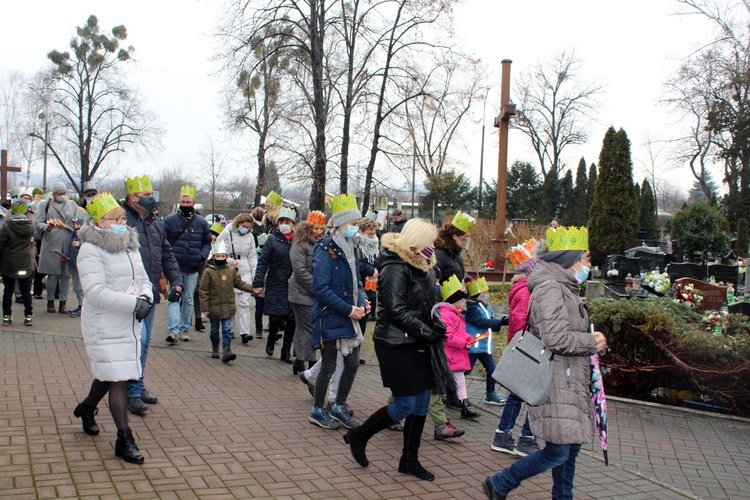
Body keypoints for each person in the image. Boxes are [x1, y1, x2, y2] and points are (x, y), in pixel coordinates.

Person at [482, 226, 608, 500]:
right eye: (586, 258)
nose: (589, 264)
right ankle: (501, 482)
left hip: (568, 378)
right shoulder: (552, 288)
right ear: (570, 259)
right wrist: (591, 342)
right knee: (558, 451)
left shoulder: (565, 287)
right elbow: (556, 338)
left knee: (569, 448)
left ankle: (562, 497)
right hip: (555, 380)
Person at [343, 218, 443, 481]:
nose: (434, 246)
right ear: (418, 241)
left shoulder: (427, 266)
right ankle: (359, 436)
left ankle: (409, 460)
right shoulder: (395, 267)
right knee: (404, 405)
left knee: (421, 401)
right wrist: (428, 332)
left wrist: (442, 319)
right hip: (395, 343)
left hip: (419, 341)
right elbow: (395, 311)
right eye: (430, 241)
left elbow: (429, 302)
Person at [72, 192, 153, 465]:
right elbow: (94, 292)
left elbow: (143, 278)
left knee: (110, 374)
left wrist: (146, 297)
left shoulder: (130, 244)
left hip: (129, 322)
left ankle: (86, 408)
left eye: (122, 217)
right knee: (118, 377)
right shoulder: (90, 250)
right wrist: (134, 303)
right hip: (104, 323)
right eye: (114, 218)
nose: (121, 222)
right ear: (99, 222)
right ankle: (124, 439)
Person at [122, 175, 183, 414]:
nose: (151, 200)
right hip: (131, 294)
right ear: (132, 197)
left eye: (151, 195)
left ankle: (138, 382)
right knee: (137, 340)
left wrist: (176, 281)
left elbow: (165, 252)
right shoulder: (121, 221)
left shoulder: (154, 222)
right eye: (146, 196)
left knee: (145, 341)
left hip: (151, 292)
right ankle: (130, 391)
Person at [308, 193, 367, 430]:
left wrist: (362, 303)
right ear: (341, 224)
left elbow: (356, 282)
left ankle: (339, 405)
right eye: (354, 225)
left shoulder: (352, 248)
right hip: (329, 315)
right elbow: (320, 289)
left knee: (352, 363)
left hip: (349, 314)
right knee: (329, 365)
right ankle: (317, 409)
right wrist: (349, 309)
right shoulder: (324, 250)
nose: (357, 229)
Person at [491, 239, 541, 457]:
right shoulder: (527, 291)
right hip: (528, 349)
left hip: (524, 348)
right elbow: (520, 321)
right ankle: (521, 436)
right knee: (528, 394)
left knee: (520, 394)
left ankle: (508, 433)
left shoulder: (525, 289)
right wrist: (528, 344)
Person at [435, 210, 474, 411]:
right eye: (464, 238)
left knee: (452, 352)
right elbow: (434, 280)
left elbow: (456, 275)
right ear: (453, 236)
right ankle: (445, 392)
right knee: (446, 350)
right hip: (443, 308)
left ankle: (453, 395)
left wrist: (465, 283)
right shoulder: (440, 254)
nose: (466, 242)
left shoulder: (455, 254)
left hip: (455, 306)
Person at [163, 185, 212, 343]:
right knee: (174, 297)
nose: (185, 205)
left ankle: (184, 328)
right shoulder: (169, 220)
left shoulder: (202, 223)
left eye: (188, 202)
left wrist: (201, 256)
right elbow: (164, 242)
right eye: (182, 202)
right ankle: (172, 330)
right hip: (175, 266)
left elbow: (207, 242)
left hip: (192, 266)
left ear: (194, 203)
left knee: (189, 299)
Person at [252, 206, 297, 362]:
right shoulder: (272, 239)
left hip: (293, 284)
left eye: (287, 221)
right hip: (276, 282)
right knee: (276, 316)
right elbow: (263, 262)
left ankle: (286, 350)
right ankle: (271, 338)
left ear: (293, 224)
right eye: (282, 221)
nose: (284, 224)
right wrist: (258, 282)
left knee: (292, 318)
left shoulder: (297, 240)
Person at [199, 240, 255, 362]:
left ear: (226, 257)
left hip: (227, 306)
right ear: (214, 257)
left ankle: (226, 349)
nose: (220, 258)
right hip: (213, 307)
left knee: (226, 329)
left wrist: (252, 288)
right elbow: (203, 291)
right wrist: (205, 307)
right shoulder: (208, 272)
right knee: (214, 330)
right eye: (217, 256)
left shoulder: (230, 271)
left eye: (222, 256)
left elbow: (239, 283)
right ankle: (215, 347)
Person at [438, 275, 481, 420]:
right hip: (449, 354)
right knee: (442, 381)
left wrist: (467, 338)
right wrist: (463, 342)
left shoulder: (456, 313)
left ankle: (465, 405)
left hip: (456, 354)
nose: (464, 303)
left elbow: (459, 332)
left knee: (460, 381)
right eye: (461, 300)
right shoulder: (446, 314)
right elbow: (448, 336)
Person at [288, 211, 326, 375]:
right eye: (316, 229)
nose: (319, 232)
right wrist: (317, 288)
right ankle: (310, 363)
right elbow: (300, 271)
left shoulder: (322, 244)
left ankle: (299, 359)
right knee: (309, 327)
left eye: (321, 229)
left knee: (304, 328)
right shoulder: (300, 244)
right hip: (302, 292)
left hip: (313, 292)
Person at [463, 276, 508, 406]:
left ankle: (490, 394)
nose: (485, 296)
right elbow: (481, 322)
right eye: (483, 294)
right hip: (473, 346)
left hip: (484, 346)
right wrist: (500, 322)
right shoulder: (471, 307)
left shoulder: (483, 306)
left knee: (492, 370)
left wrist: (498, 323)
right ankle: (450, 391)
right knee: (466, 371)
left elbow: (489, 320)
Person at [35, 182, 78, 314]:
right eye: (59, 194)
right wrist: (48, 227)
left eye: (64, 193)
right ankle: (50, 301)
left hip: (67, 241)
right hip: (51, 242)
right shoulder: (45, 204)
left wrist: (77, 227)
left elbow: (77, 220)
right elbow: (38, 223)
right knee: (52, 275)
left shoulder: (72, 205)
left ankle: (63, 303)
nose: (62, 196)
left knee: (65, 275)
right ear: (54, 194)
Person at [217, 213, 258, 344]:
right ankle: (230, 328)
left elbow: (252, 256)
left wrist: (254, 274)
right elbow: (217, 248)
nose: (245, 229)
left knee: (244, 303)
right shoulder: (227, 232)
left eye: (247, 227)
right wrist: (228, 260)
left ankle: (245, 332)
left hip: (245, 269)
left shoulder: (250, 236)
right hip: (230, 270)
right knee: (230, 302)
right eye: (243, 226)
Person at [1, 198, 35, 327]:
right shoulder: (29, 226)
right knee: (26, 290)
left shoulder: (7, 226)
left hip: (9, 263)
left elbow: (1, 245)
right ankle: (28, 316)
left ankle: (7, 316)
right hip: (25, 262)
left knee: (8, 290)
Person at [67, 207, 90, 318]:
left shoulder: (85, 236)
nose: (75, 226)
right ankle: (80, 305)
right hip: (74, 264)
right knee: (77, 287)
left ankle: (82, 307)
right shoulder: (74, 234)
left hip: (81, 265)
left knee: (80, 288)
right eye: (74, 223)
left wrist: (79, 245)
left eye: (78, 223)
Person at [250, 206, 268, 339]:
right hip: (261, 281)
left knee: (260, 307)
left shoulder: (260, 229)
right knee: (259, 306)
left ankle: (260, 328)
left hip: (266, 281)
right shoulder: (259, 230)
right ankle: (259, 328)